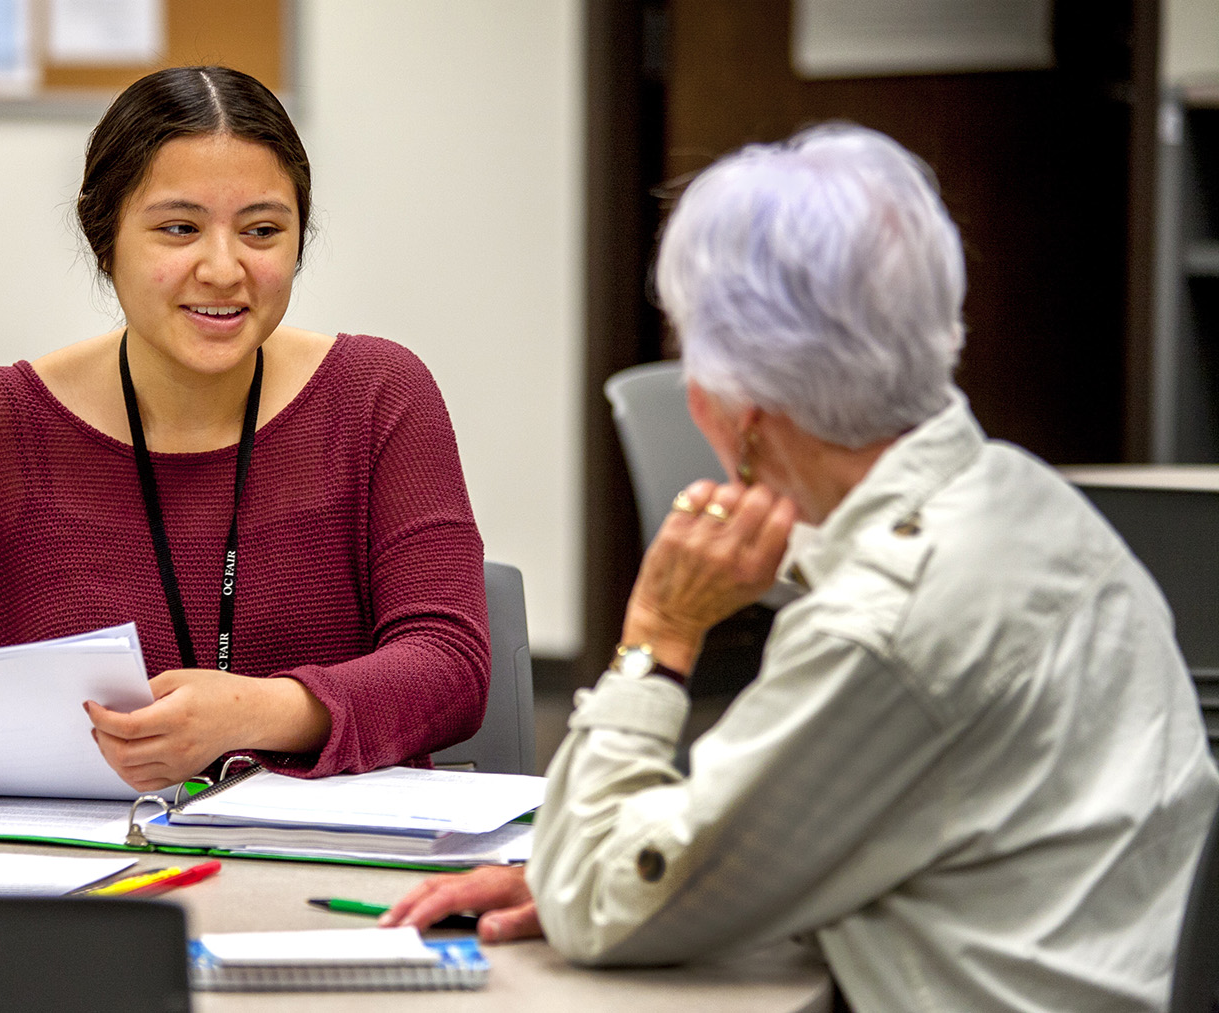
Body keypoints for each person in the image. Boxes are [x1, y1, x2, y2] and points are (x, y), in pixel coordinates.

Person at [386, 123, 1219, 1011]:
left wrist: (656, 639)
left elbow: (599, 902)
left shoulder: (882, 625)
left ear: (735, 415)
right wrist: (618, 876)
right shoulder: (1030, 501)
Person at [0, 66, 490, 805]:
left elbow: (451, 666)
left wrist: (253, 712)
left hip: (326, 867)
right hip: (75, 884)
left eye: (262, 231)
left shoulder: (377, 395)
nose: (224, 269)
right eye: (179, 228)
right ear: (107, 239)